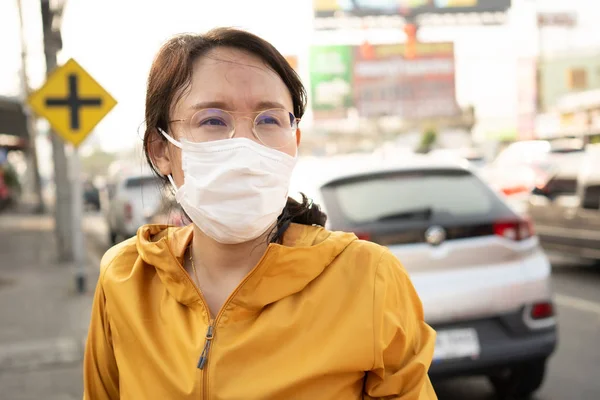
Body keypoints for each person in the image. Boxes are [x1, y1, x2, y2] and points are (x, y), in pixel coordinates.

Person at [83, 27, 437, 399]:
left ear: (294, 142)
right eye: (213, 121)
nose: (245, 145)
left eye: (269, 120)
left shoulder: (368, 278)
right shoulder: (124, 280)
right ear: (160, 149)